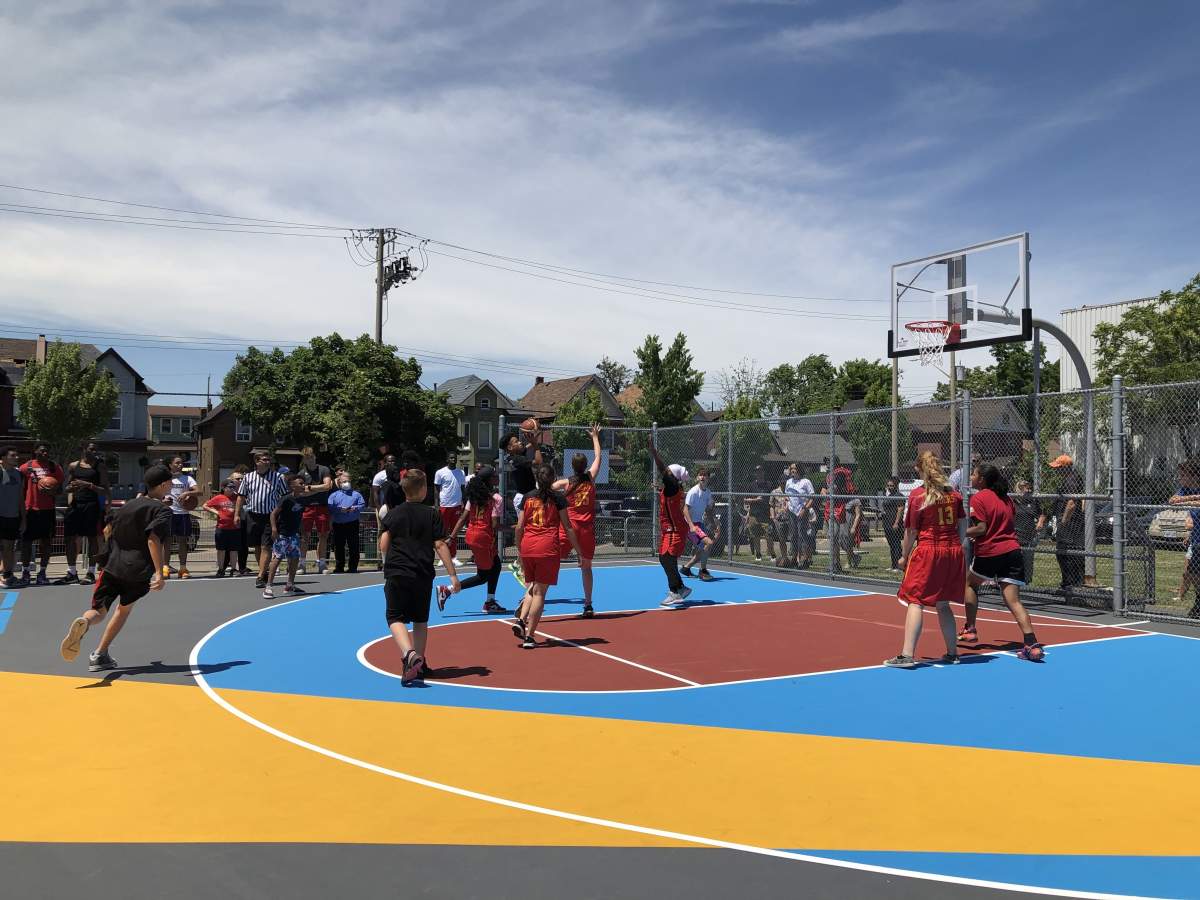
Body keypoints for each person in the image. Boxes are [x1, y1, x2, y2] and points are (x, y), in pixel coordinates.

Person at [58, 464, 172, 673]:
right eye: (170, 482)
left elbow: (107, 529)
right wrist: (159, 571)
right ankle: (100, 653)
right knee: (122, 610)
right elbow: (153, 539)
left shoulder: (128, 505)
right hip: (137, 571)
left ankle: (84, 622)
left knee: (98, 611)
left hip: (112, 565)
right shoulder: (162, 510)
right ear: (163, 484)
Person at [380, 468, 461, 684]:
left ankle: (409, 654)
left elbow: (383, 544)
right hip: (422, 573)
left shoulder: (393, 514)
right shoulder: (431, 513)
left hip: (397, 571)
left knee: (394, 617)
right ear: (424, 489)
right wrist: (452, 575)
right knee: (420, 619)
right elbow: (440, 544)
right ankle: (421, 663)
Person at [884, 451, 964, 668]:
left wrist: (904, 556)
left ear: (920, 469)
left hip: (929, 550)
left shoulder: (919, 495)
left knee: (915, 601)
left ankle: (907, 654)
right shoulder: (954, 495)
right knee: (943, 603)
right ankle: (952, 652)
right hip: (952, 550)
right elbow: (962, 527)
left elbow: (910, 531)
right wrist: (958, 548)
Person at [958, 463, 1045, 660]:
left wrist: (960, 532)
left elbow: (982, 529)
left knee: (969, 583)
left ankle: (970, 628)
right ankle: (1031, 644)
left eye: (973, 474)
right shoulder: (1006, 499)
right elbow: (1003, 524)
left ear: (981, 479)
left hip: (990, 552)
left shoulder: (979, 498)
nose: (970, 477)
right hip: (1013, 552)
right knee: (1013, 601)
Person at [510, 464, 580, 649]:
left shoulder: (527, 497)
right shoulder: (558, 498)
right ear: (553, 479)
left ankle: (521, 619)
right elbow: (568, 527)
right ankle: (530, 636)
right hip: (547, 547)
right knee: (540, 592)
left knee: (532, 587)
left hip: (528, 545)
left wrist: (519, 548)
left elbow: (519, 527)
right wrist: (579, 551)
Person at [649, 438, 708, 609]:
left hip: (675, 530)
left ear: (672, 476)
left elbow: (662, 469)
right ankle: (679, 588)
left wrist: (654, 452)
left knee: (667, 557)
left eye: (668, 472)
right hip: (670, 529)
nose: (665, 472)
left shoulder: (673, 486)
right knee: (665, 558)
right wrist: (658, 487)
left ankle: (676, 590)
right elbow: (667, 491)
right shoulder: (671, 488)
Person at [552, 425, 603, 613]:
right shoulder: (591, 478)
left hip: (568, 529)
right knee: (586, 567)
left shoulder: (566, 483)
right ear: (585, 466)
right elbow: (598, 457)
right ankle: (588, 604)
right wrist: (595, 437)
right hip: (586, 530)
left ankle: (531, 593)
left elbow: (550, 486)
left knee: (550, 560)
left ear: (572, 466)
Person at [447, 465, 507, 614]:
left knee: (497, 564)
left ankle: (490, 601)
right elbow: (494, 525)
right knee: (483, 576)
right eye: (494, 476)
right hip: (483, 538)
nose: (497, 477)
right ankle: (448, 590)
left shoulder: (474, 496)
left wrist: (452, 537)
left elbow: (462, 518)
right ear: (489, 480)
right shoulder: (496, 498)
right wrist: (516, 527)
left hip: (472, 535)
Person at [57, 442, 109, 585]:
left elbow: (105, 489)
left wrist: (89, 485)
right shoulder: (74, 466)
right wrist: (71, 487)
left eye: (96, 449)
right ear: (84, 449)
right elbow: (67, 487)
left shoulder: (99, 466)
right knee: (69, 538)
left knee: (92, 538)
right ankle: (72, 572)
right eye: (91, 449)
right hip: (75, 505)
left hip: (91, 504)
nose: (94, 451)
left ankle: (91, 572)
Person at [235, 451, 289, 589]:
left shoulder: (278, 477)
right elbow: (241, 496)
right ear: (257, 461)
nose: (267, 462)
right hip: (252, 515)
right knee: (257, 546)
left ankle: (259, 576)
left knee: (266, 546)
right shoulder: (248, 477)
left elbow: (285, 496)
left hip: (269, 517)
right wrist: (236, 514)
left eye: (268, 459)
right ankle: (263, 571)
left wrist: (281, 512)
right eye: (264, 459)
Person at [501, 425, 543, 587]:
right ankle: (519, 564)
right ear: (510, 448)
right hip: (524, 497)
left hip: (525, 496)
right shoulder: (517, 460)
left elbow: (525, 448)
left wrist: (533, 439)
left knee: (528, 531)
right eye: (516, 441)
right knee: (527, 532)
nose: (520, 443)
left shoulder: (515, 455)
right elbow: (538, 463)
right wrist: (537, 446)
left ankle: (518, 562)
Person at [18, 443, 64, 586]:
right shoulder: (26, 467)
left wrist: (53, 491)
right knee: (26, 543)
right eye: (42, 451)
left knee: (46, 543)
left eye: (47, 451)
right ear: (35, 451)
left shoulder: (54, 467)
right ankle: (25, 572)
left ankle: (42, 572)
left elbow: (60, 489)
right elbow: (21, 490)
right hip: (30, 509)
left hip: (47, 510)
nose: (45, 453)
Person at [1038, 454, 1084, 592]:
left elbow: (1071, 503)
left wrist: (1063, 521)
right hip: (1067, 523)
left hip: (1070, 524)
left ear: (1066, 467)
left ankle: (1071, 584)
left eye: (1058, 467)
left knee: (1066, 553)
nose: (1056, 470)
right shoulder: (1066, 479)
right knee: (1064, 553)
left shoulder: (1071, 479)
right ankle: (1068, 582)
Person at [263, 473, 307, 599]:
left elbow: (300, 518)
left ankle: (289, 585)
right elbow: (273, 514)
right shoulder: (286, 499)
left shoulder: (302, 500)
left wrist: (303, 533)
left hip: (294, 536)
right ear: (292, 486)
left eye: (303, 483)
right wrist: (274, 529)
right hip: (282, 535)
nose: (303, 485)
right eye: (300, 483)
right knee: (277, 558)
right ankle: (268, 587)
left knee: (294, 559)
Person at [1168, 460, 1200, 617]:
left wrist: (1188, 499)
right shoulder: (1184, 489)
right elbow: (1172, 500)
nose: (1179, 478)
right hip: (1196, 538)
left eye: (1183, 475)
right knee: (1192, 572)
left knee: (1193, 571)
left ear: (1193, 475)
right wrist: (1190, 498)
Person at [297, 447, 334, 575]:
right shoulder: (301, 473)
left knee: (323, 535)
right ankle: (302, 564)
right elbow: (301, 492)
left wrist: (309, 488)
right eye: (307, 457)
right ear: (304, 460)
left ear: (315, 456)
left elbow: (328, 486)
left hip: (322, 506)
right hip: (306, 508)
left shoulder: (324, 469)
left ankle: (321, 563)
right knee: (304, 536)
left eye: (312, 456)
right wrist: (318, 489)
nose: (310, 459)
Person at [162, 456, 199, 579]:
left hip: (183, 513)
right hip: (168, 513)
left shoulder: (187, 478)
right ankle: (165, 567)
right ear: (170, 465)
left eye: (181, 463)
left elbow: (199, 491)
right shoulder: (165, 479)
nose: (180, 465)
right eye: (177, 463)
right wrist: (163, 499)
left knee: (182, 541)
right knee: (167, 541)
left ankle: (183, 568)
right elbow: (156, 493)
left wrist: (187, 492)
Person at [681, 467, 716, 582]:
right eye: (700, 475)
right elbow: (685, 510)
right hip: (689, 524)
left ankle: (686, 568)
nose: (702, 477)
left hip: (699, 523)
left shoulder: (708, 492)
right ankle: (703, 571)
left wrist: (713, 520)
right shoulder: (693, 492)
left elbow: (709, 508)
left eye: (705, 475)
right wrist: (691, 525)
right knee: (708, 543)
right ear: (697, 477)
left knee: (702, 549)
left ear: (708, 478)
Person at [434, 453, 467, 566]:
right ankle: (442, 557)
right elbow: (436, 490)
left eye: (455, 458)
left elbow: (463, 489)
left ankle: (453, 556)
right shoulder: (440, 472)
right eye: (451, 458)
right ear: (447, 459)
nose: (453, 460)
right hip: (444, 505)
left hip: (457, 505)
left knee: (454, 532)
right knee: (442, 532)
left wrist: (463, 502)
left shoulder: (461, 472)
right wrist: (437, 505)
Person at [328, 473, 366, 574]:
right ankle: (339, 566)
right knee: (338, 546)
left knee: (353, 545)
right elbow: (330, 507)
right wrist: (340, 510)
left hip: (352, 523)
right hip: (338, 524)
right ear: (339, 483)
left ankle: (353, 567)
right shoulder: (334, 495)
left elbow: (362, 505)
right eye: (344, 481)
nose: (347, 483)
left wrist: (355, 508)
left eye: (348, 481)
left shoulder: (356, 494)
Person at [203, 480, 241, 576]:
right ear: (224, 488)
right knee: (221, 549)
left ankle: (233, 569)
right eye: (230, 487)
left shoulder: (236, 498)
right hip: (222, 527)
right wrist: (216, 512)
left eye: (233, 487)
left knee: (234, 549)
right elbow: (205, 505)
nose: (232, 489)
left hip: (234, 527)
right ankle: (221, 569)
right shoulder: (219, 497)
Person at [0, 447, 23, 587]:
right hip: (0, 515)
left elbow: (21, 498)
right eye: (13, 455)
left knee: (9, 547)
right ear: (3, 458)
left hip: (13, 516)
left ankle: (8, 574)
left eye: (17, 455)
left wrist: (24, 518)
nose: (16, 457)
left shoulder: (18, 474)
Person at [784, 463, 815, 569]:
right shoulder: (788, 482)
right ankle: (794, 558)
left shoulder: (806, 482)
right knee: (793, 536)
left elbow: (812, 497)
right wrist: (786, 504)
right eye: (791, 468)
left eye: (795, 469)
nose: (793, 470)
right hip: (792, 511)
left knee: (802, 535)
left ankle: (804, 559)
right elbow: (787, 496)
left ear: (799, 470)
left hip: (802, 511)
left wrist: (805, 509)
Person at [1012, 479, 1040, 585]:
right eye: (1025, 488)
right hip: (1015, 535)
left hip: (1029, 535)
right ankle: (1015, 581)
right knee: (1015, 560)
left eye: (1029, 488)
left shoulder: (1033, 500)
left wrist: (1040, 523)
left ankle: (1027, 582)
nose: (1028, 490)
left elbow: (1042, 513)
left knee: (1028, 561)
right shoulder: (1013, 501)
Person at [744, 465, 775, 563]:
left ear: (763, 472)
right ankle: (758, 554)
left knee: (768, 536)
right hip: (754, 515)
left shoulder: (769, 485)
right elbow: (745, 499)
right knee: (755, 536)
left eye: (761, 471)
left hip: (765, 515)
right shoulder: (751, 485)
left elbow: (773, 498)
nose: (759, 473)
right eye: (757, 472)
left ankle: (772, 554)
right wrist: (756, 499)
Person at [228, 465, 252, 575]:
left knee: (243, 545)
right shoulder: (228, 493)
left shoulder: (247, 493)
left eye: (242, 478)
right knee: (230, 545)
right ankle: (227, 566)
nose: (241, 480)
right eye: (238, 479)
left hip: (243, 521)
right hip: (230, 523)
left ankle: (242, 567)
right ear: (232, 480)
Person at [881, 476, 905, 572]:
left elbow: (900, 509)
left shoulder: (899, 495)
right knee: (891, 544)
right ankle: (893, 565)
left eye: (891, 485)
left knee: (896, 544)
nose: (889, 487)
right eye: (888, 485)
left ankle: (899, 566)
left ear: (896, 486)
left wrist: (896, 523)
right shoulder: (888, 495)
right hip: (886, 523)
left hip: (894, 523)